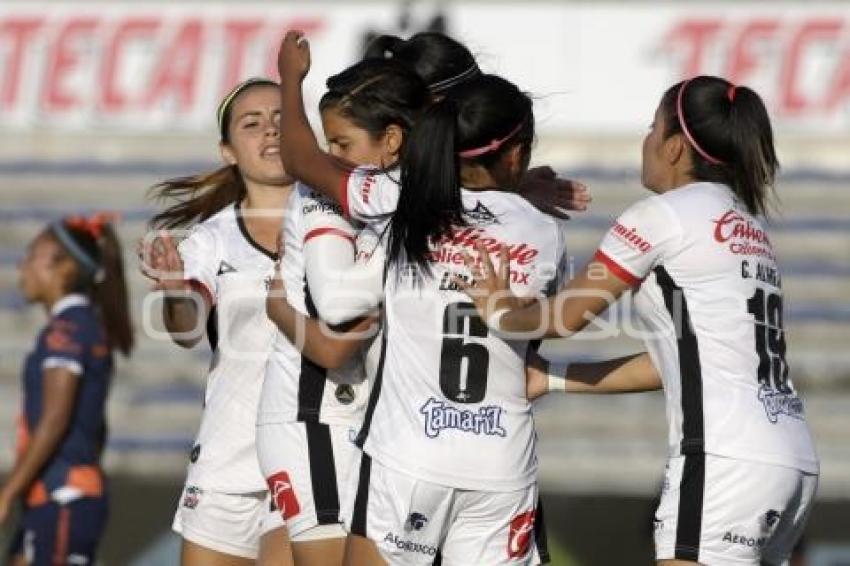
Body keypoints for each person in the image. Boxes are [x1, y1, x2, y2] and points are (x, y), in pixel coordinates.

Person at [461, 75, 819, 566]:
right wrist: (554, 379)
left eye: (652, 128)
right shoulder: (746, 224)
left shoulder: (663, 215)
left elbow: (563, 318)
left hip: (724, 460)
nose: (645, 140)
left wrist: (500, 307)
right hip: (790, 459)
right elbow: (672, 361)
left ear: (674, 148)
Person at [277, 30, 567, 565]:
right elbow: (542, 334)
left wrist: (290, 77)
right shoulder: (543, 230)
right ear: (517, 153)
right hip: (499, 458)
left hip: (406, 451)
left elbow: (299, 159)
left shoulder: (403, 198)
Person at [141, 78, 294, 566]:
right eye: (252, 124)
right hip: (228, 456)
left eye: (282, 119)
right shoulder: (211, 239)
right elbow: (187, 330)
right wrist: (172, 292)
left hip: (311, 454)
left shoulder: (338, 220)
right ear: (228, 151)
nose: (270, 131)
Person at [2, 214, 133, 565]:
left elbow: (56, 418)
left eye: (32, 256)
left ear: (63, 267)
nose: (23, 266)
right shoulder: (79, 325)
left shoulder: (70, 329)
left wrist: (7, 493)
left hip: (64, 496)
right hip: (50, 494)